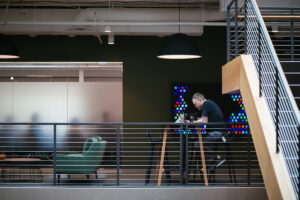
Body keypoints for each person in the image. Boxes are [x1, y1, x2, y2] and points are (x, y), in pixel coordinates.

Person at [191, 92, 226, 170]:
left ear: (200, 100)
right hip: (219, 132)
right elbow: (204, 120)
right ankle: (213, 161)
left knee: (197, 144)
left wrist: (190, 122)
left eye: (195, 104)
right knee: (198, 141)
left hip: (219, 133)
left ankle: (217, 158)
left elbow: (204, 122)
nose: (195, 106)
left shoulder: (206, 104)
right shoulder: (209, 103)